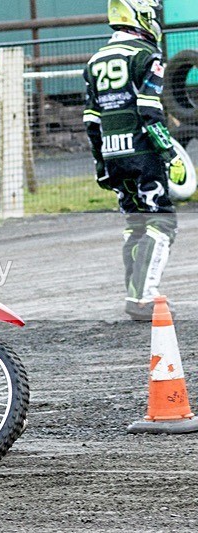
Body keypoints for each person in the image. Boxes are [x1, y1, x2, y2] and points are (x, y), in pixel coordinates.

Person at [83, 0, 184, 321]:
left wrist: (101, 165)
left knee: (135, 223)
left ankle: (133, 292)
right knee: (162, 222)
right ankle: (143, 297)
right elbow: (150, 110)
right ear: (140, 15)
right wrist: (169, 153)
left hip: (113, 153)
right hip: (143, 152)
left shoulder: (95, 60)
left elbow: (91, 120)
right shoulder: (146, 56)